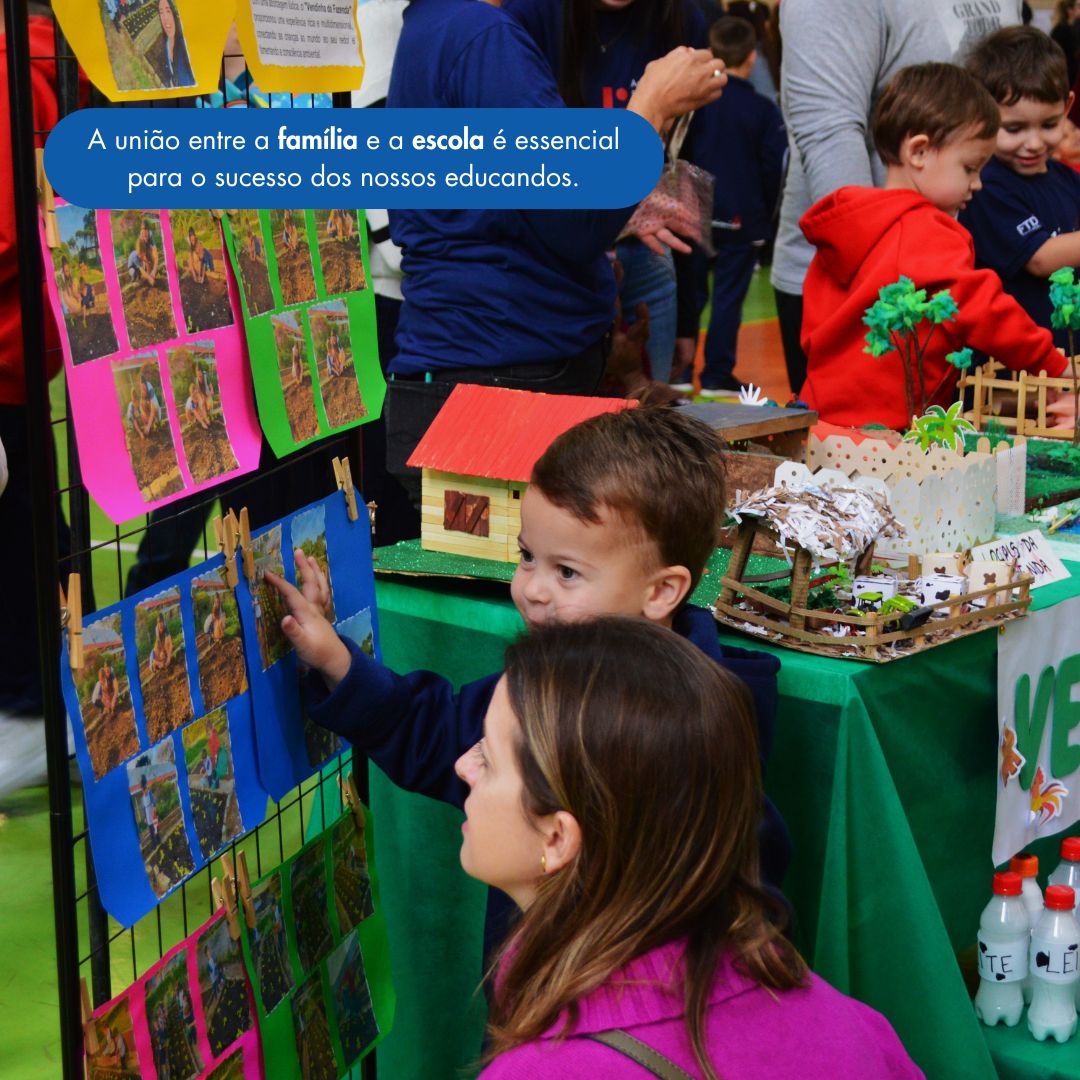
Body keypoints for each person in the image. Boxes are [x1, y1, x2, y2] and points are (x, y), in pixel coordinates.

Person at [268, 406, 789, 955]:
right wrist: (336, 662)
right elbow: (435, 732)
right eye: (527, 557)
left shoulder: (704, 736)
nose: (532, 590)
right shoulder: (539, 689)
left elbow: (741, 912)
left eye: (566, 572)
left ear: (661, 592)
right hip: (528, 1006)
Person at [459, 618, 922, 1078]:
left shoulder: (539, 1071)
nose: (464, 766)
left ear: (558, 837)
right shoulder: (850, 1025)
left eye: (489, 758)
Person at [384, 0, 726, 524]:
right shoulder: (480, 35)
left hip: (481, 373)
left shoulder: (441, 26)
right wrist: (649, 108)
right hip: (498, 384)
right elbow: (574, 216)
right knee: (514, 589)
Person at [770, 0, 1023, 398]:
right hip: (876, 283)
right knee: (870, 445)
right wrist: (888, 266)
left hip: (975, 259)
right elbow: (828, 130)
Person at [799, 63, 1071, 431]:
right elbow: (983, 308)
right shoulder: (927, 229)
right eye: (970, 168)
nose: (977, 184)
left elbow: (813, 324)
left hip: (823, 417)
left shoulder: (852, 225)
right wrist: (1050, 362)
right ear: (920, 152)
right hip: (893, 429)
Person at [506, 0, 710, 384]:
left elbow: (681, 178)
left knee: (650, 427)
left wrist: (687, 317)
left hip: (649, 259)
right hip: (560, 272)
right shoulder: (526, 17)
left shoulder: (680, 21)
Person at [960, 27, 1080, 351]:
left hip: (1065, 359)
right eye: (1014, 129)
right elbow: (1040, 258)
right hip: (1011, 369)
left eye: (1049, 125)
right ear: (980, 116)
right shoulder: (985, 186)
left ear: (1067, 107)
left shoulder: (1068, 179)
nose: (1034, 143)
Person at [687, 15, 786, 394]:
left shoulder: (695, 104)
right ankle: (715, 374)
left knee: (691, 293)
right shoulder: (762, 109)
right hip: (742, 215)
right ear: (750, 58)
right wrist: (765, 218)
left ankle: (680, 372)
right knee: (728, 296)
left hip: (694, 212)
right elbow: (774, 167)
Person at [157, 0, 194, 89]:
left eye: (168, 11)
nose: (165, 18)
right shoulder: (166, 44)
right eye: (161, 13)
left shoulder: (185, 45)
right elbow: (168, 74)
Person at [1052, 0, 1080, 88]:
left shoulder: (1075, 28)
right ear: (1070, 10)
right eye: (1079, 6)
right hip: (1066, 76)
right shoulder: (1061, 30)